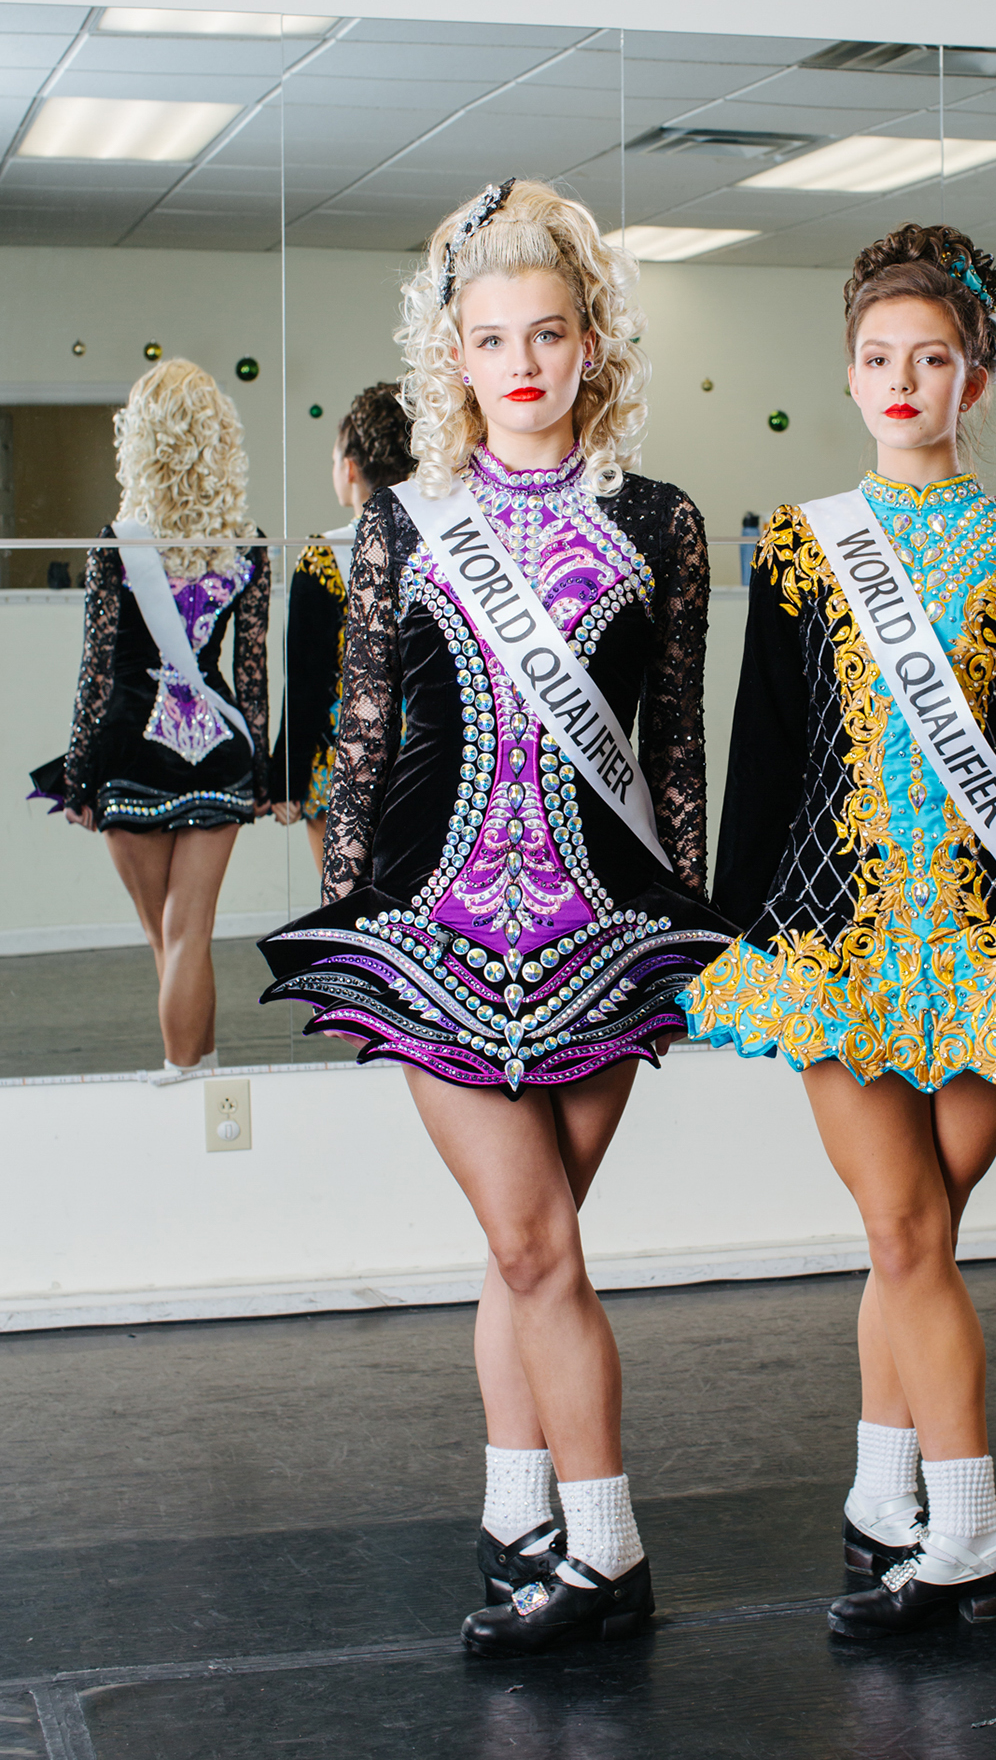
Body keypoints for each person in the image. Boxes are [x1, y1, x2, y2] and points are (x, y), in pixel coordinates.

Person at [260, 179, 729, 1655]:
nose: (520, 362)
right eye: (489, 338)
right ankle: (606, 1548)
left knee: (527, 1250)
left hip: (606, 934)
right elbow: (368, 726)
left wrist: (691, 922)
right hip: (439, 935)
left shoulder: (665, 521)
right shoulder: (406, 523)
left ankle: (520, 1515)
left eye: (548, 332)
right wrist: (354, 922)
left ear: (596, 345)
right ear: (451, 357)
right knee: (535, 1246)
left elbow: (673, 748)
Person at [682, 223, 996, 1641]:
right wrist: (725, 930)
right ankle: (970, 1529)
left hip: (987, 941)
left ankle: (879, 1486)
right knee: (905, 1226)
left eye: (932, 358)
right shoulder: (796, 546)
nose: (902, 381)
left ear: (979, 377)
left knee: (922, 1235)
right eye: (878, 358)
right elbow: (761, 752)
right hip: (835, 942)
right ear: (847, 372)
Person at [51, 359, 269, 1084]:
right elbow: (251, 671)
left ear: (140, 440)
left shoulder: (119, 540)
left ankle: (185, 1081)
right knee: (190, 935)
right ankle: (203, 1076)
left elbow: (97, 671)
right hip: (216, 753)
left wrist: (76, 775)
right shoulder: (246, 543)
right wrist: (261, 768)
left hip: (131, 751)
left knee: (164, 938)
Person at [270, 383, 413, 873]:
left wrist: (284, 777)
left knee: (345, 916)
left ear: (349, 468)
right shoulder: (448, 547)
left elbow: (304, 681)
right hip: (428, 759)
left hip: (340, 765)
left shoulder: (323, 556)